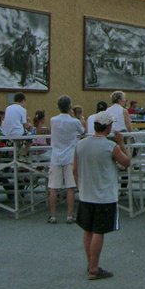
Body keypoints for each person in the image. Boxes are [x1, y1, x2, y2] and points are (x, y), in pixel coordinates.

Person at [74, 112, 131, 280]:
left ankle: (90, 263)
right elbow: (126, 162)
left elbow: (75, 169)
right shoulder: (109, 146)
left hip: (86, 193)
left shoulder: (81, 145)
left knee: (87, 230)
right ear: (109, 127)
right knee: (99, 231)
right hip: (104, 194)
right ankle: (94, 268)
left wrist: (80, 186)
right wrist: (121, 143)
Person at [48, 95, 83, 224]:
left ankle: (53, 216)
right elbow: (82, 131)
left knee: (53, 187)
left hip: (56, 156)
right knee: (70, 187)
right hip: (70, 155)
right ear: (70, 107)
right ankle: (69, 215)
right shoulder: (74, 122)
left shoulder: (53, 120)